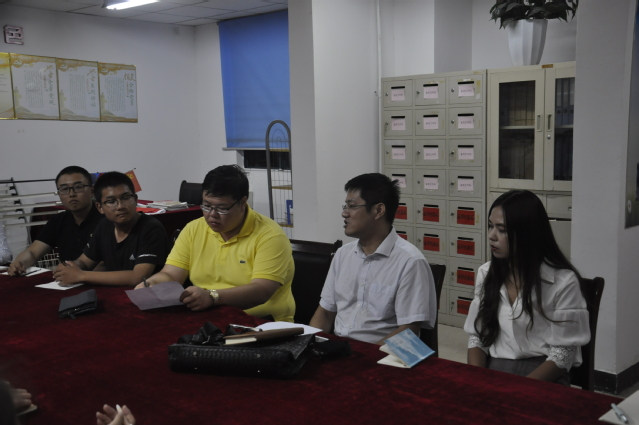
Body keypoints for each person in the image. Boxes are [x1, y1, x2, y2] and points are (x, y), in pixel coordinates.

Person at [135, 165, 295, 322]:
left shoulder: (270, 236)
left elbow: (262, 290)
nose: (212, 215)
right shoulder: (193, 229)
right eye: (206, 206)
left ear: (242, 203)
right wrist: (152, 284)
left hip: (262, 323)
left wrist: (212, 297)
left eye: (221, 208)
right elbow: (171, 274)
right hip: (210, 316)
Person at [464, 190, 590, 385]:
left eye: (502, 229)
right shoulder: (486, 273)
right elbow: (477, 338)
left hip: (544, 371)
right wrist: (477, 380)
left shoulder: (563, 282)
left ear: (528, 233)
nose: (491, 236)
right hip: (497, 365)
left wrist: (519, 389)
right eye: (490, 226)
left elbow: (562, 355)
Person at [309, 173, 437, 345]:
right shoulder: (342, 255)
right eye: (345, 206)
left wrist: (363, 357)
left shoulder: (410, 262)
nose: (344, 213)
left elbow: (408, 331)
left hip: (380, 353)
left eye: (352, 206)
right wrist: (310, 344)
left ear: (378, 211)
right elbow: (325, 313)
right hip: (339, 349)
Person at [53, 172, 169, 287]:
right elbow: (84, 262)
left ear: (135, 199)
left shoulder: (151, 228)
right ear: (100, 207)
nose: (120, 206)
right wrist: (70, 267)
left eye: (125, 198)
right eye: (111, 201)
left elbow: (138, 277)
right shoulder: (104, 225)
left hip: (149, 295)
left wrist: (81, 275)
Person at [8, 166, 103, 275]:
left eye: (78, 187)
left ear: (92, 191)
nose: (71, 194)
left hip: (97, 279)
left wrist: (82, 277)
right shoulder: (58, 220)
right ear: (59, 194)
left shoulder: (106, 219)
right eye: (64, 189)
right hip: (68, 279)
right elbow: (33, 252)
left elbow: (106, 263)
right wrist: (19, 263)